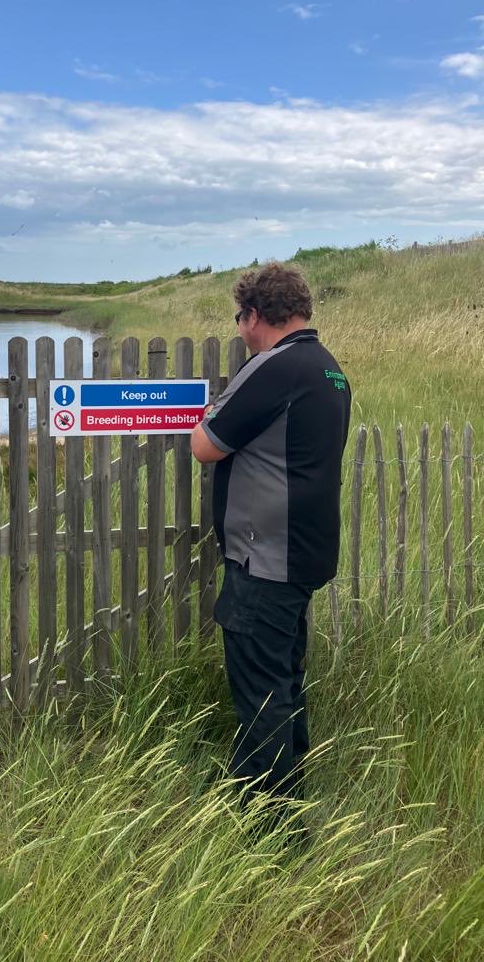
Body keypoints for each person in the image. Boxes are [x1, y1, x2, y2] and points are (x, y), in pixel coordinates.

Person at [190, 261, 351, 807]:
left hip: (264, 559)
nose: (240, 329)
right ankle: (290, 800)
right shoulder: (329, 369)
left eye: (241, 318)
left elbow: (206, 444)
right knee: (283, 682)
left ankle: (268, 827)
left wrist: (214, 406)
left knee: (260, 695)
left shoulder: (273, 366)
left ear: (257, 314)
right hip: (302, 554)